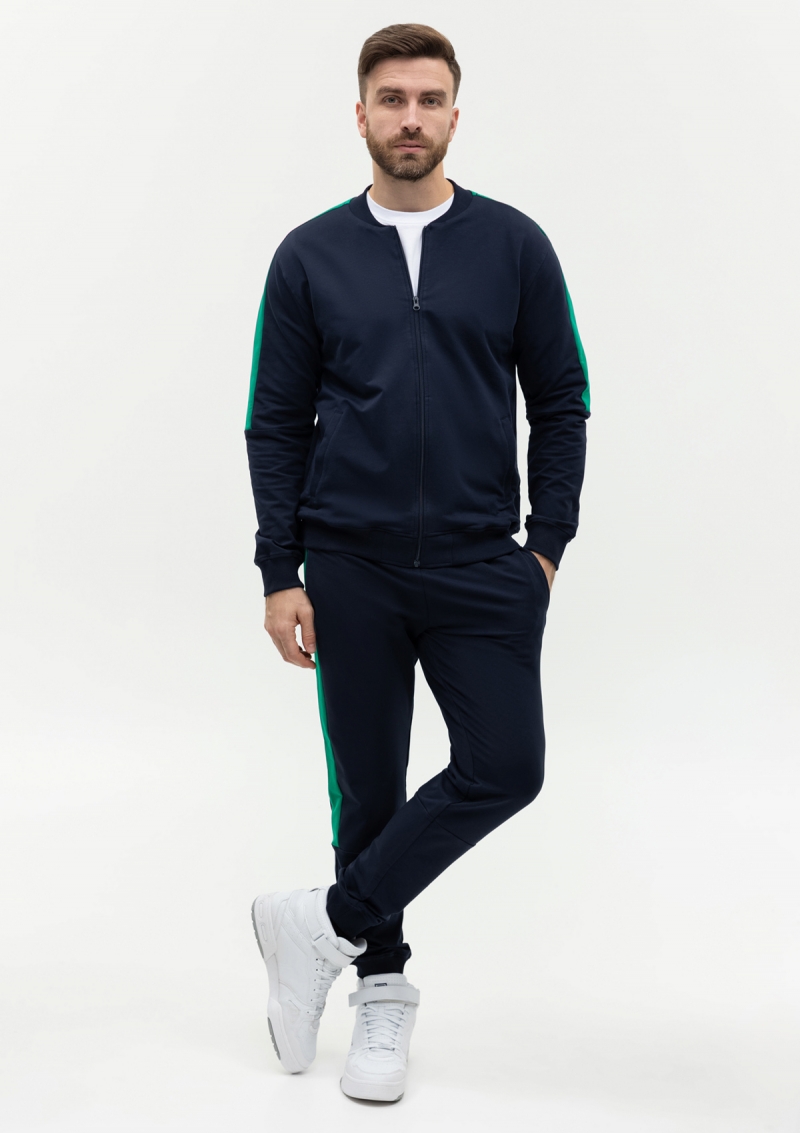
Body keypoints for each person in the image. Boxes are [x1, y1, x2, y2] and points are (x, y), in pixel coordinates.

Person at [245, 22, 590, 1103]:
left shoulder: (514, 245)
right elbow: (274, 421)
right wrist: (279, 569)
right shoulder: (309, 255)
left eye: (428, 99)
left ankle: (320, 923)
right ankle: (382, 988)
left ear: (453, 114)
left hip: (483, 562)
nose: (409, 118)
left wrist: (544, 547)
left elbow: (562, 399)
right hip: (350, 562)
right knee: (369, 785)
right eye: (390, 99)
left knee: (506, 765)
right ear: (360, 115)